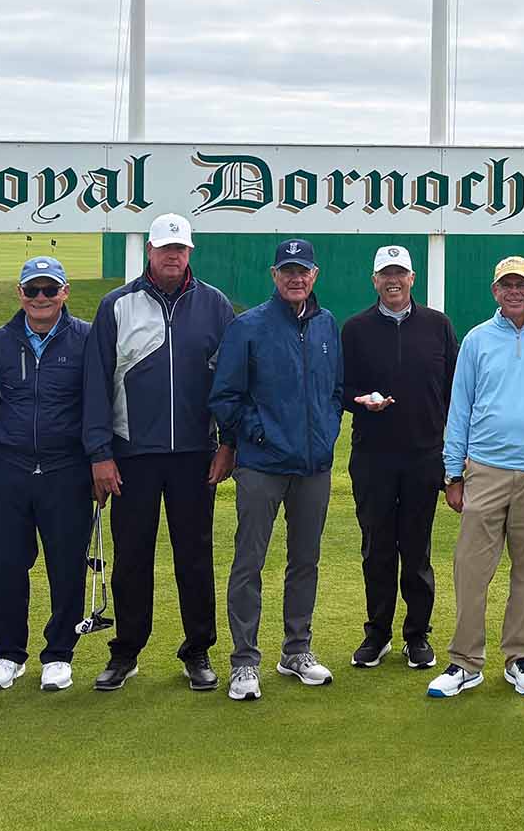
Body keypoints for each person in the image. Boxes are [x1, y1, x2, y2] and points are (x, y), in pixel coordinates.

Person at [83, 213, 234, 693]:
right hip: (132, 454)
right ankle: (126, 650)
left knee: (194, 555)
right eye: (165, 248)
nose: (173, 256)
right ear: (149, 250)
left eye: (181, 249)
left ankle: (198, 650)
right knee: (132, 557)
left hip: (194, 453)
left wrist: (227, 442)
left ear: (190, 252)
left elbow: (230, 384)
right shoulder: (117, 305)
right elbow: (95, 385)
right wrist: (99, 454)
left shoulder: (214, 305)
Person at [426, 257, 524, 699]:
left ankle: (520, 658)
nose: (514, 291)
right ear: (495, 291)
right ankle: (464, 662)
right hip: (486, 469)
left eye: (522, 285)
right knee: (471, 568)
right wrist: (452, 472)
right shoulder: (477, 339)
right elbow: (460, 408)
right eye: (506, 285)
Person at [209, 237, 343, 701]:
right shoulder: (248, 326)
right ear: (274, 275)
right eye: (287, 270)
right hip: (263, 464)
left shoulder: (326, 325)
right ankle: (245, 660)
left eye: (303, 270)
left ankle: (296, 650)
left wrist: (327, 434)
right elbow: (224, 396)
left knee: (305, 561)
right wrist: (259, 433)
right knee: (249, 561)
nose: (295, 277)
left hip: (313, 467)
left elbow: (334, 392)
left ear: (314, 275)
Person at [340, 242, 458, 671]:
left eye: (400, 273)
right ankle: (378, 633)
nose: (393, 281)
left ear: (412, 278)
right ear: (375, 281)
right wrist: (359, 401)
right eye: (385, 274)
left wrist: (453, 455)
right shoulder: (354, 329)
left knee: (416, 548)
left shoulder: (438, 325)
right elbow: (340, 388)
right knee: (376, 548)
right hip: (372, 457)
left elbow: (453, 391)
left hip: (424, 455)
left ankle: (417, 635)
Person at [0, 256, 92, 693]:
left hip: (67, 469)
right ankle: (9, 654)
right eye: (33, 290)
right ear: (20, 294)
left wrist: (99, 459)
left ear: (65, 292)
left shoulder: (85, 338)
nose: (41, 298)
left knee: (66, 565)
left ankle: (59, 654)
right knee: (5, 565)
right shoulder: (0, 340)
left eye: (50, 290)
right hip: (11, 469)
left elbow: (98, 404)